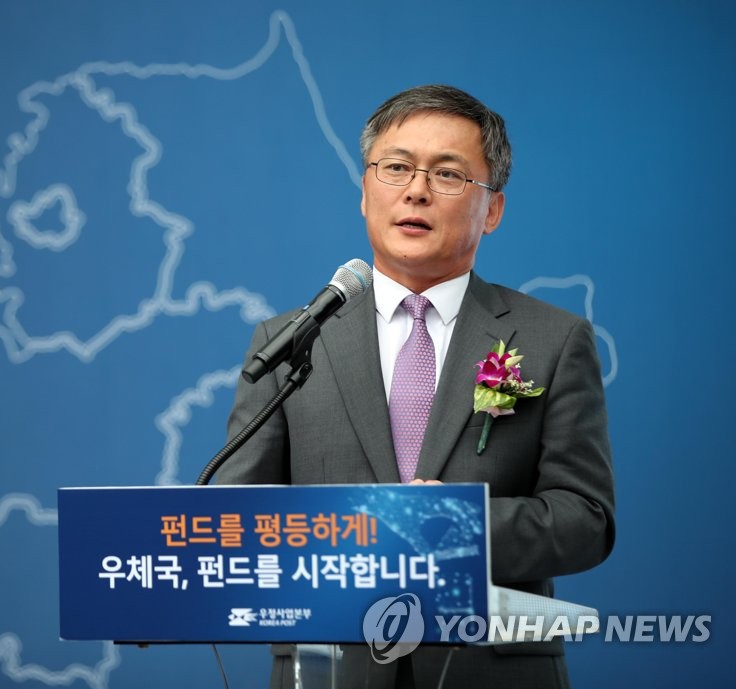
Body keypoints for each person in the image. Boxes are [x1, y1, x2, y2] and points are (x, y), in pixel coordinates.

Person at [215, 84, 615, 689]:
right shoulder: (291, 341)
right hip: (328, 664)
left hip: (490, 669)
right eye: (396, 167)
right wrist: (346, 533)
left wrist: (462, 525)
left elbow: (586, 519)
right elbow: (234, 515)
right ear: (365, 191)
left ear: (493, 209)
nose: (416, 190)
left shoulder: (552, 340)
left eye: (448, 174)